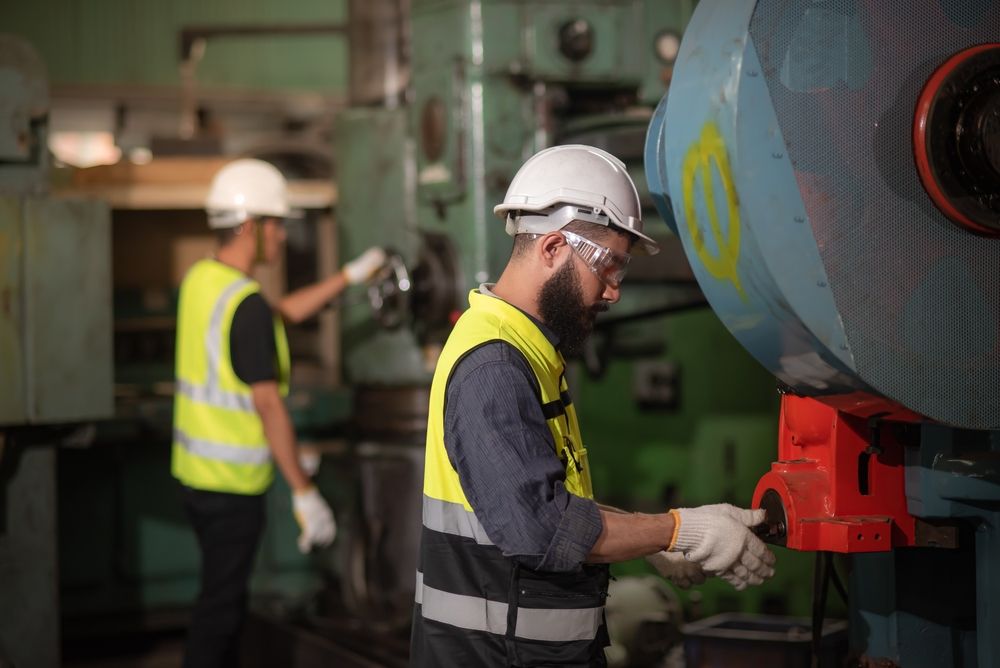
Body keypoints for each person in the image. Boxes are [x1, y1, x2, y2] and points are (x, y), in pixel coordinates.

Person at [410, 145, 776, 667]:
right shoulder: (494, 366)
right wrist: (679, 529)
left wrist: (654, 541)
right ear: (555, 247)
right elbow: (543, 529)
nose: (613, 292)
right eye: (609, 267)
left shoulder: (527, 350)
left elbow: (541, 498)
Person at [171, 158, 386, 667]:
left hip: (194, 478)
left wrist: (348, 277)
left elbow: (281, 314)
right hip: (231, 488)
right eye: (276, 225)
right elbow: (268, 405)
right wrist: (304, 492)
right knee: (220, 612)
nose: (282, 237)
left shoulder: (203, 281)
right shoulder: (243, 303)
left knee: (219, 601)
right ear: (250, 227)